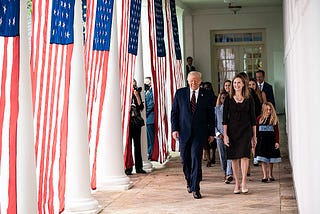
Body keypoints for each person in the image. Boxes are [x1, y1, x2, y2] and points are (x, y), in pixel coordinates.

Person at [171, 71, 215, 199]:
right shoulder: (180, 93)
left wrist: (211, 132)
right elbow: (174, 113)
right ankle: (189, 180)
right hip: (183, 133)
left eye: (196, 80)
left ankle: (196, 187)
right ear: (187, 80)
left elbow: (211, 116)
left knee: (196, 159)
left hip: (199, 133)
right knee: (185, 160)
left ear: (200, 81)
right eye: (191, 80)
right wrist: (174, 129)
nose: (193, 82)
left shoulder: (206, 95)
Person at [223, 74, 257, 194]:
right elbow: (224, 120)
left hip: (246, 131)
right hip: (232, 132)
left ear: (243, 84)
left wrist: (254, 136)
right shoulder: (228, 98)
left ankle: (244, 182)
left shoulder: (249, 99)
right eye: (235, 83)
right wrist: (225, 135)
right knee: (234, 158)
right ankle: (237, 183)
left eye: (239, 83)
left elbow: (253, 119)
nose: (236, 85)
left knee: (245, 156)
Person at [255, 102, 281, 182]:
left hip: (271, 141)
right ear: (263, 110)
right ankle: (265, 175)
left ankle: (270, 174)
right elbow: (256, 131)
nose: (269, 111)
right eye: (267, 110)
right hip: (262, 142)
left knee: (270, 159)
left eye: (270, 110)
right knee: (263, 159)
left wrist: (277, 141)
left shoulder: (273, 119)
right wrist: (255, 140)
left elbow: (276, 132)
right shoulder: (259, 119)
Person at [125, 79, 146, 175]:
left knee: (137, 145)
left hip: (136, 122)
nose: (134, 87)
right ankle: (128, 167)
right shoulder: (124, 93)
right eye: (132, 85)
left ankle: (139, 167)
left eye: (135, 85)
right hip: (127, 123)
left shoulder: (137, 94)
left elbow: (141, 107)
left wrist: (137, 95)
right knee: (128, 146)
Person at [215, 91, 233, 184]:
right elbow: (213, 124)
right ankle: (225, 173)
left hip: (231, 136)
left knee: (230, 155)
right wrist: (218, 134)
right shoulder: (216, 110)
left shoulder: (232, 110)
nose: (224, 100)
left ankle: (229, 174)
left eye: (226, 98)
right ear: (220, 99)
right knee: (223, 156)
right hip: (220, 136)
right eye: (222, 98)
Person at [201, 81, 217, 167]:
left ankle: (213, 155)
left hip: (213, 120)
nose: (207, 89)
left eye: (208, 87)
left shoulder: (214, 98)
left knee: (213, 141)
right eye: (205, 87)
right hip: (204, 122)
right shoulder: (200, 98)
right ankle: (208, 159)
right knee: (205, 141)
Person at [144, 77, 155, 160]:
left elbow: (151, 105)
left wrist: (145, 114)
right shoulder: (148, 92)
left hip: (150, 118)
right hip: (148, 119)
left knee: (151, 139)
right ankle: (149, 153)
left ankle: (151, 154)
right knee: (148, 139)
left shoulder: (151, 92)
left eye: (147, 83)